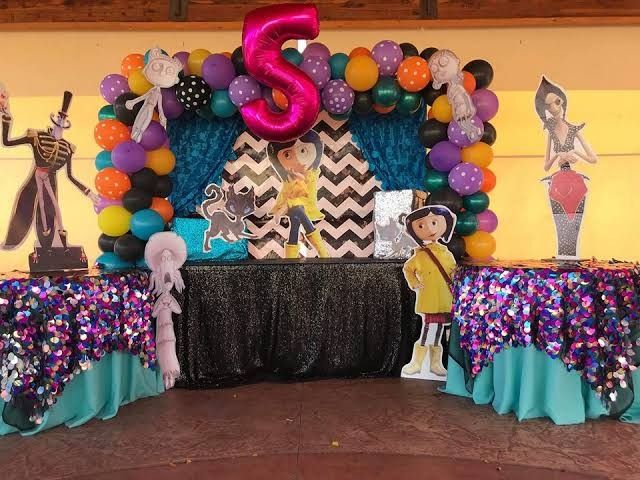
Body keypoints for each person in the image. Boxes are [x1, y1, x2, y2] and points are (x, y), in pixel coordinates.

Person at [0, 91, 98, 252]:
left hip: (51, 182)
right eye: (59, 119)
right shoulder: (36, 137)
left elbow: (70, 176)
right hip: (35, 178)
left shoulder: (67, 148)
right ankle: (11, 241)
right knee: (25, 207)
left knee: (49, 213)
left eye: (63, 120)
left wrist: (89, 193)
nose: (60, 123)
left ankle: (49, 247)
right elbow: (7, 142)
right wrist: (6, 119)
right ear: (54, 120)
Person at [535, 76, 597, 259]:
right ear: (546, 109)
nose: (554, 107)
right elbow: (546, 166)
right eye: (549, 105)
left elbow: (592, 158)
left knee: (574, 221)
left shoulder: (574, 130)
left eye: (557, 101)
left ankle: (572, 256)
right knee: (560, 221)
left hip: (576, 182)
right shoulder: (551, 132)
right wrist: (558, 155)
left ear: (562, 101)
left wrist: (574, 154)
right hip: (557, 182)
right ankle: (564, 256)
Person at [401, 205, 457, 377]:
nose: (431, 229)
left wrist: (455, 277)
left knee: (438, 332)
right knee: (427, 332)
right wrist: (414, 282)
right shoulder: (420, 255)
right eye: (422, 225)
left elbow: (452, 271)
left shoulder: (446, 253)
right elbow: (408, 269)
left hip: (444, 299)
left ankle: (435, 364)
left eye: (435, 223)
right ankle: (417, 363)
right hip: (430, 299)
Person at [267, 130, 329, 259]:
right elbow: (287, 196)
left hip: (305, 205)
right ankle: (322, 251)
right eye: (287, 155)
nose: (299, 161)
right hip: (295, 207)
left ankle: (290, 258)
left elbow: (306, 197)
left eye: (302, 151)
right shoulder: (288, 180)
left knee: (296, 219)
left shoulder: (312, 174)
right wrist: (285, 205)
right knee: (297, 211)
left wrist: (285, 206)